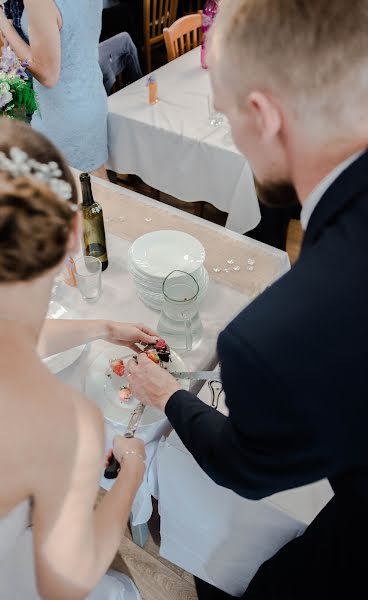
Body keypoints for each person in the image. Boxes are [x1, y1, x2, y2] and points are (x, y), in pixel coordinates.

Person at [127, 1, 368, 599]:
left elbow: (246, 468)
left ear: (262, 115)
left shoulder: (269, 339)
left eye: (225, 111)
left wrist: (169, 395)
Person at [0, 116, 161, 599]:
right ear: (76, 234)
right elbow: (66, 583)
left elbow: (9, 336)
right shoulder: (65, 420)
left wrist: (104, 327)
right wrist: (132, 473)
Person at [0, 0, 108, 178]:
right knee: (98, 185)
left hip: (61, 113)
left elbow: (48, 75)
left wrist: (3, 24)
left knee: (72, 193)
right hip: (91, 96)